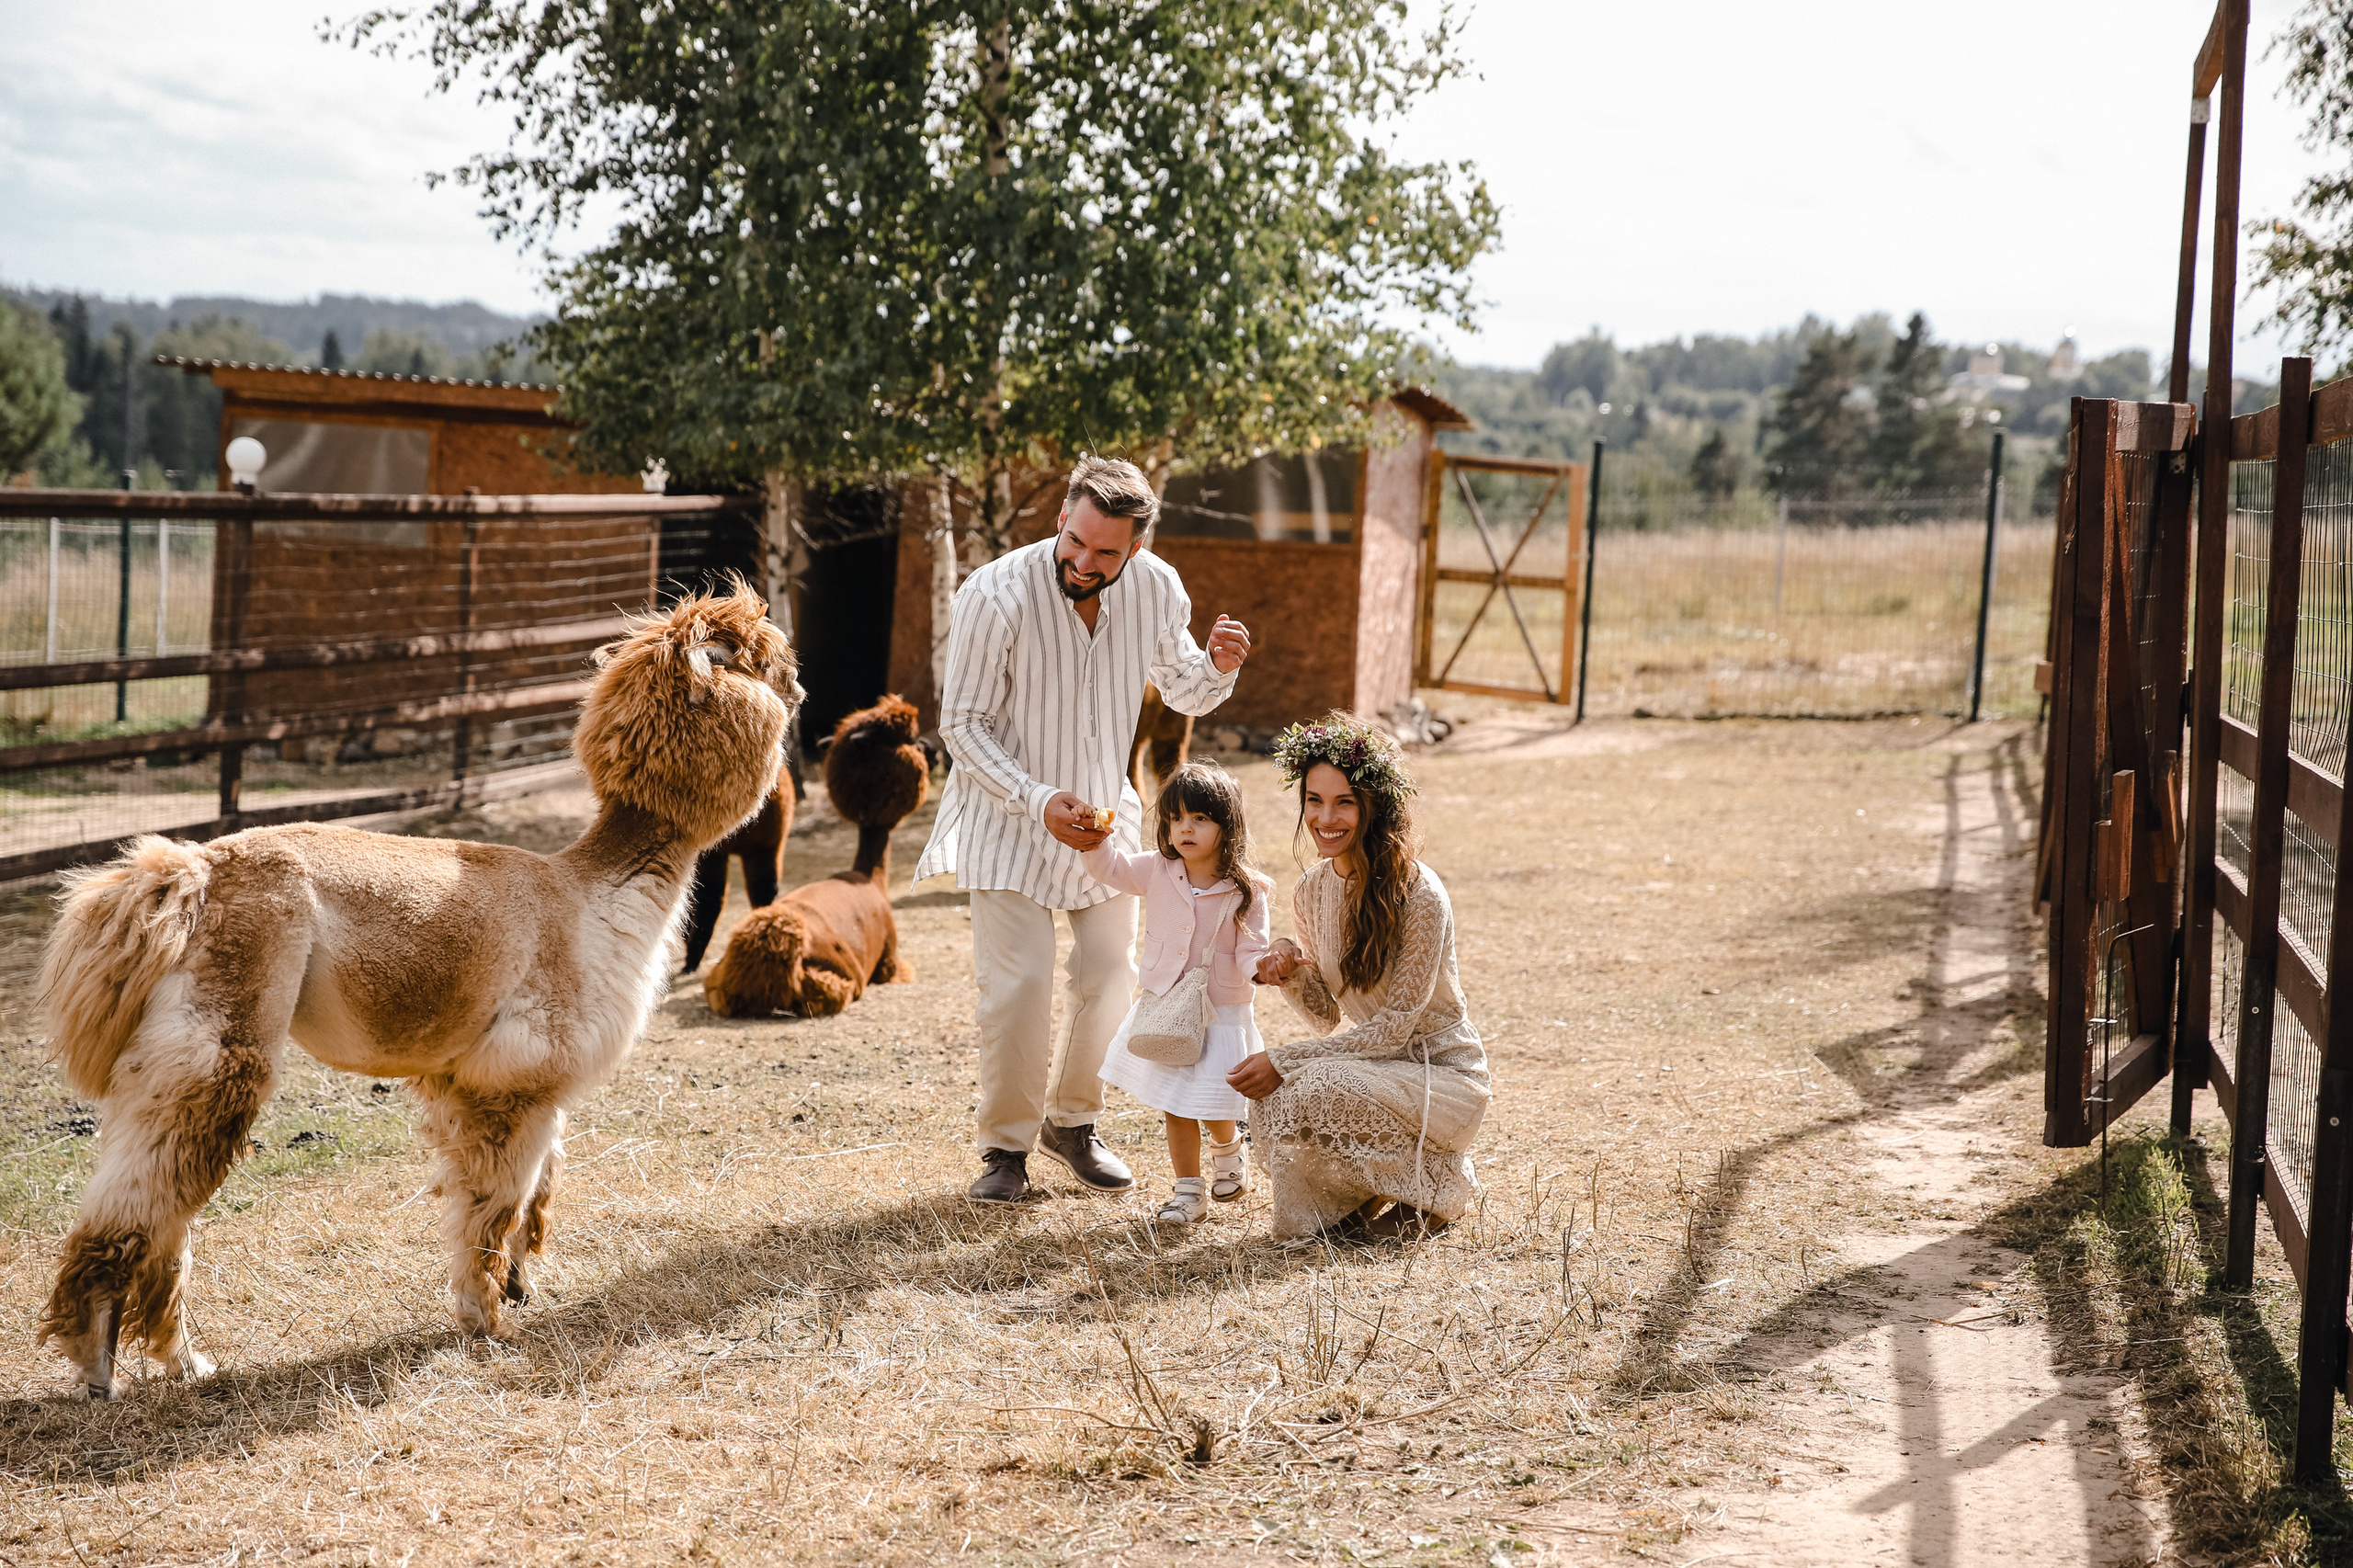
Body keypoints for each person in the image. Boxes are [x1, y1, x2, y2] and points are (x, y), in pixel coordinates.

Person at [912, 456, 1253, 1205]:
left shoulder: (1157, 586)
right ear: (1062, 518)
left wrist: (1219, 667)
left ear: (1135, 548)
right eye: (1076, 540)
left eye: (1107, 552)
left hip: (1108, 826)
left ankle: (1073, 1124)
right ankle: (1005, 1149)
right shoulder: (993, 594)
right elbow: (961, 727)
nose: (1084, 561)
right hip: (1007, 819)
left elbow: (1186, 682)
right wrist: (1036, 799)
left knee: (1111, 975)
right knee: (1021, 984)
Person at [1230, 714, 1488, 1243]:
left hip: (1443, 1080)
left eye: (1344, 802)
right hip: (1374, 1073)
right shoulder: (1310, 891)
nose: (1326, 817)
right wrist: (1290, 973)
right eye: (1314, 800)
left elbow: (1393, 1030)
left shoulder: (1420, 893)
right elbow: (1325, 1017)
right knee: (1274, 1099)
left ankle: (1440, 1188)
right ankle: (1351, 1203)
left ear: (1375, 806)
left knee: (1318, 1081)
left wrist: (1281, 1059)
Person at [1082, 763, 1274, 1224]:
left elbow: (1252, 951)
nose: (1185, 828)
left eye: (1200, 819)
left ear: (1227, 825)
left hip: (1221, 1013)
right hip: (1166, 1006)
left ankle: (1228, 1151)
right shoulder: (1157, 869)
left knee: (1212, 1102)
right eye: (1176, 818)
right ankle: (1188, 1191)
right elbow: (1111, 869)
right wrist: (1094, 839)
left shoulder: (1248, 890)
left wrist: (1265, 970)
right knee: (1176, 1103)